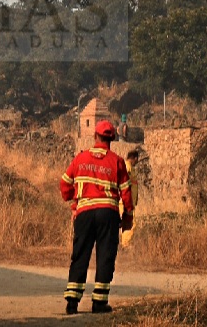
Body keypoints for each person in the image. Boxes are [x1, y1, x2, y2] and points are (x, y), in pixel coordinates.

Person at [60, 119, 133, 315]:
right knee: (105, 255)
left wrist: (72, 201)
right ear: (113, 138)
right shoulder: (117, 161)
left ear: (95, 136)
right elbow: (126, 192)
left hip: (84, 214)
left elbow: (64, 183)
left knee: (80, 254)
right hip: (108, 214)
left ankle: (72, 302)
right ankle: (99, 302)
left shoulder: (80, 158)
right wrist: (128, 215)